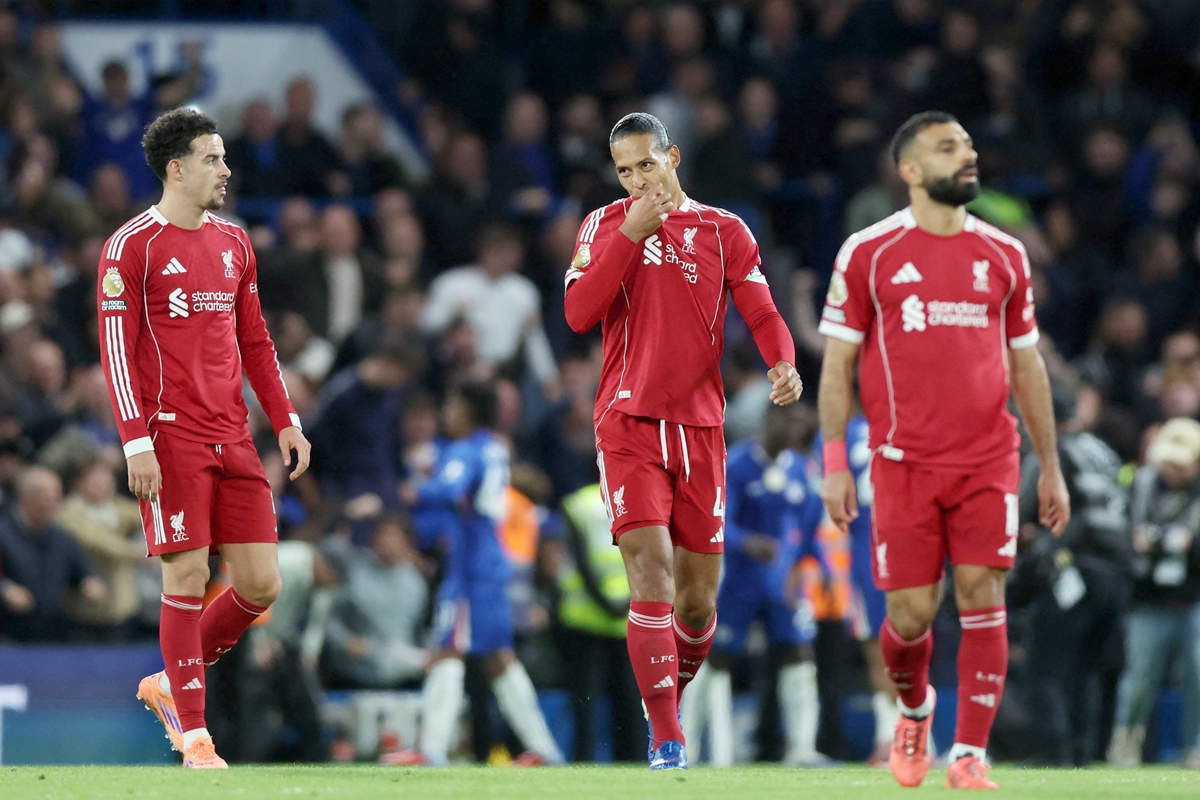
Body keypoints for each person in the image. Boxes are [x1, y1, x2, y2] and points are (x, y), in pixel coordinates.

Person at [816, 111, 1070, 790]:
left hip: (988, 458)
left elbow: (1027, 367)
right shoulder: (868, 252)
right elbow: (837, 367)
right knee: (909, 617)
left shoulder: (1005, 254)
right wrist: (835, 464)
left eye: (968, 144)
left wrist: (1050, 466)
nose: (967, 155)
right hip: (902, 463)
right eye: (948, 147)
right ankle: (913, 711)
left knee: (982, 592)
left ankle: (968, 755)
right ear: (909, 170)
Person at [563, 112, 803, 769]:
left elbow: (762, 309)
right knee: (651, 574)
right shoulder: (604, 225)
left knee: (696, 606)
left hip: (700, 430)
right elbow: (579, 314)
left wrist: (782, 361)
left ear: (672, 157)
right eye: (624, 171)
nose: (637, 180)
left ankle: (665, 690)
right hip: (628, 424)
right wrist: (629, 236)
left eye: (647, 164)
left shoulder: (725, 230)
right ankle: (667, 738)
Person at [96, 108, 311, 769]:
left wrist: (285, 419)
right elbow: (116, 353)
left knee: (261, 585)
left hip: (233, 435)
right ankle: (196, 737)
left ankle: (170, 680)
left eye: (224, 157)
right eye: (213, 159)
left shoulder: (234, 242)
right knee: (187, 575)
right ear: (177, 168)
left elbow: (255, 339)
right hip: (170, 436)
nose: (225, 170)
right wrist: (135, 442)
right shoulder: (131, 246)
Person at [389, 380, 564, 767]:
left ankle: (432, 749)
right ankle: (544, 749)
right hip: (488, 560)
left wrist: (417, 487)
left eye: (452, 404)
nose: (447, 413)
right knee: (496, 657)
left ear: (467, 409)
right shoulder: (493, 447)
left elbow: (450, 489)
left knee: (449, 648)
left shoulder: (465, 450)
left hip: (470, 568)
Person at [681, 401, 827, 766]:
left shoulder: (802, 469)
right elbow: (716, 520)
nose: (795, 430)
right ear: (769, 419)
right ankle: (690, 745)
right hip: (738, 580)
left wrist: (809, 567)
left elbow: (810, 528)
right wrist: (746, 542)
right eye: (788, 421)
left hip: (783, 583)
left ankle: (802, 749)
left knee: (799, 652)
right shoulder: (737, 464)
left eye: (800, 423)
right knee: (716, 657)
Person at [1011, 386, 1131, 767]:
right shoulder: (1103, 451)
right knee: (1088, 668)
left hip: (1074, 567)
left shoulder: (1052, 453)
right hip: (1117, 571)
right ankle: (1084, 753)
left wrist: (1029, 540)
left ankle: (1055, 753)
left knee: (1044, 664)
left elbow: (1020, 510)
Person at [1108, 418, 1200, 769]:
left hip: (1193, 599)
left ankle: (1195, 749)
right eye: (1168, 462)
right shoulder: (1141, 483)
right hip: (1148, 599)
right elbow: (1122, 534)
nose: (1172, 470)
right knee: (1139, 681)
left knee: (1198, 676)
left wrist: (1183, 543)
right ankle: (1124, 746)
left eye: (1180, 464)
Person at [814, 404, 897, 765]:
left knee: (879, 651)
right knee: (911, 646)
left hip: (866, 553)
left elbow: (825, 504)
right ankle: (906, 737)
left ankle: (892, 739)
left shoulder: (841, 435)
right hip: (910, 542)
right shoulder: (904, 423)